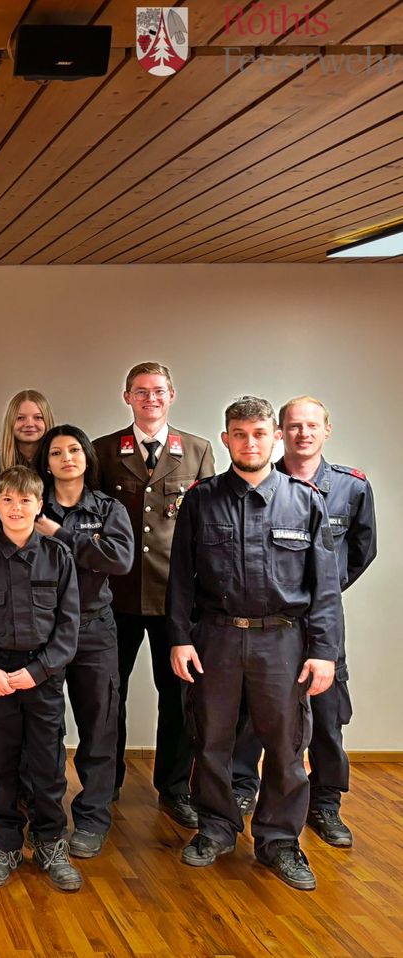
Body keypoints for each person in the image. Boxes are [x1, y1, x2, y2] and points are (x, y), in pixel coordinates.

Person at [169, 396, 343, 891]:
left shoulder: (304, 500)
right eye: (240, 435)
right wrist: (180, 639)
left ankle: (279, 842)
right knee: (210, 740)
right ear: (226, 439)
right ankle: (216, 828)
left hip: (282, 642)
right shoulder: (201, 500)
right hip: (217, 638)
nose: (250, 443)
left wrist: (324, 651)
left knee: (286, 747)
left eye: (260, 434)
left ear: (276, 438)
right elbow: (179, 579)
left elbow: (325, 588)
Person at [231, 396, 376, 846]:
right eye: (294, 426)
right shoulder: (258, 480)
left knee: (327, 715)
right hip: (267, 625)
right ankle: (242, 789)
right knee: (252, 712)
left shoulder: (351, 487)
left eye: (312, 425)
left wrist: (318, 594)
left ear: (327, 429)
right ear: (280, 433)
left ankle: (325, 803)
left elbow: (362, 550)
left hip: (319, 623)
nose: (303, 433)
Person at [93, 362, 213, 828]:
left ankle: (175, 787)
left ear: (172, 395)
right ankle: (106, 784)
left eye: (159, 390)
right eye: (141, 392)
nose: (151, 399)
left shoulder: (197, 451)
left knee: (179, 697)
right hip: (115, 595)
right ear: (127, 397)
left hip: (174, 598)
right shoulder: (104, 450)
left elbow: (207, 528)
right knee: (109, 695)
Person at [0, 466, 82, 892]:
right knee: (0, 763)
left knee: (48, 766)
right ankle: (6, 845)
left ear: (39, 505)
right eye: (7, 500)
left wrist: (38, 671)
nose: (16, 508)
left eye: (25, 500)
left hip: (42, 677)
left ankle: (51, 843)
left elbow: (68, 627)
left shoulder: (58, 556)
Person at [33, 425, 134, 857]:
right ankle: (46, 818)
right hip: (44, 630)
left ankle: (92, 818)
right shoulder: (33, 504)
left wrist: (60, 535)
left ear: (87, 457)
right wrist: (86, 547)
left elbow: (120, 559)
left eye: (74, 450)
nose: (67, 458)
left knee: (100, 726)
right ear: (46, 462)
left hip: (95, 630)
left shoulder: (108, 507)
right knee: (45, 728)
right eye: (56, 452)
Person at [0, 390, 54, 502]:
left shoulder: (59, 461)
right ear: (10, 422)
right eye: (20, 418)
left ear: (47, 421)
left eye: (38, 417)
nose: (29, 424)